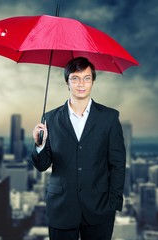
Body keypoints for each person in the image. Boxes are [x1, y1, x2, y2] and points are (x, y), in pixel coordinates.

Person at [31, 57, 126, 240]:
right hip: (62, 206)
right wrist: (39, 144)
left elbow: (118, 164)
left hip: (100, 207)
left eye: (87, 78)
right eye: (75, 78)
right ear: (67, 82)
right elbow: (42, 165)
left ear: (93, 81)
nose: (81, 84)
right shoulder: (50, 118)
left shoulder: (109, 118)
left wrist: (113, 203)